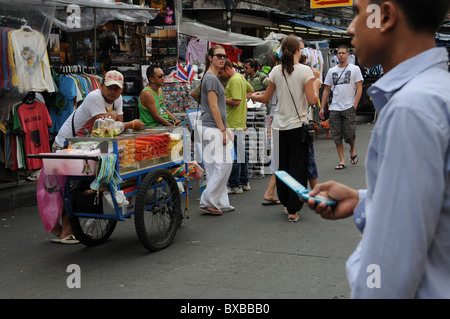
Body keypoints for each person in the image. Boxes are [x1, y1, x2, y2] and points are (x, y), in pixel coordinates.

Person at [306, 0, 450, 298]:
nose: (350, 27)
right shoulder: (437, 92)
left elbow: (387, 272)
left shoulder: (411, 108)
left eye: (358, 13)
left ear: (384, 16)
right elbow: (430, 201)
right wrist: (363, 200)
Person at [51, 70, 144, 243]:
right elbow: (107, 128)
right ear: (101, 86)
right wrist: (130, 123)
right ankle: (66, 230)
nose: (112, 92)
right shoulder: (94, 97)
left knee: (83, 183)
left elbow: (116, 124)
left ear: (121, 90)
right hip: (66, 145)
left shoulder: (116, 100)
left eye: (116, 89)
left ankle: (68, 228)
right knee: (73, 187)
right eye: (109, 87)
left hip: (85, 146)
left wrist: (117, 118)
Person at [251, 35, 321, 222]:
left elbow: (266, 98)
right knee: (298, 167)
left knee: (282, 166)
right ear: (299, 49)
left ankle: (285, 202)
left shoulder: (275, 71)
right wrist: (315, 83)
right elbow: (313, 101)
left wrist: (254, 96)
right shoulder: (305, 71)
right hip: (297, 126)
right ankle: (293, 208)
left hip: (278, 126)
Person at [198, 45, 235, 215]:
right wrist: (222, 130)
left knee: (214, 168)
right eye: (218, 55)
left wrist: (225, 127)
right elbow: (213, 107)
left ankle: (219, 202)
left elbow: (215, 106)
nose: (222, 58)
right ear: (210, 57)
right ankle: (208, 200)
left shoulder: (210, 77)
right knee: (225, 164)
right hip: (212, 127)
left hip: (209, 126)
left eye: (224, 56)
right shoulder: (211, 78)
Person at [320, 45, 363, 170]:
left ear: (348, 55)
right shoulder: (331, 71)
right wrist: (322, 107)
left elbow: (359, 88)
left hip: (349, 106)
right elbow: (326, 90)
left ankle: (352, 150)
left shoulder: (355, 69)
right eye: (339, 53)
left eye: (343, 53)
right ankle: (342, 160)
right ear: (336, 55)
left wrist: (355, 105)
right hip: (334, 108)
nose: (341, 55)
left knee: (350, 135)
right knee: (336, 135)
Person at [217, 59, 254, 195]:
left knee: (234, 156)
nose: (219, 75)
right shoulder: (241, 78)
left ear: (227, 68)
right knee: (241, 154)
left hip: (232, 122)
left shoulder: (234, 80)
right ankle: (244, 182)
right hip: (238, 122)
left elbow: (237, 101)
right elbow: (250, 91)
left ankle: (235, 184)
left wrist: (219, 98)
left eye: (221, 72)